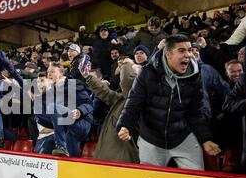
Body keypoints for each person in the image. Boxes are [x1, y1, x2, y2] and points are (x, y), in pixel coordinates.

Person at [117, 34, 221, 170]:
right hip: (151, 138)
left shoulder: (195, 76)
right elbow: (133, 104)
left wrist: (205, 139)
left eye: (189, 50)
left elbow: (195, 112)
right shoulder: (147, 73)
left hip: (182, 137)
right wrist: (125, 125)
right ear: (168, 54)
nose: (188, 55)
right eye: (181, 51)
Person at [80, 57, 139, 163]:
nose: (123, 66)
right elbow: (106, 93)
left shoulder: (138, 100)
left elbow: (128, 83)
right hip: (106, 158)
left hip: (122, 163)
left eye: (129, 66)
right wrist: (88, 77)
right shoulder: (122, 98)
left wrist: (126, 65)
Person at [35, 62, 93, 157]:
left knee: (52, 107)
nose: (49, 74)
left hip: (81, 122)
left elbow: (89, 104)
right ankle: (64, 151)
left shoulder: (73, 84)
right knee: (55, 152)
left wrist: (80, 111)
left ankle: (61, 146)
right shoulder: (51, 91)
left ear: (61, 74)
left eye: (52, 71)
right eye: (48, 72)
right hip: (66, 127)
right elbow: (42, 118)